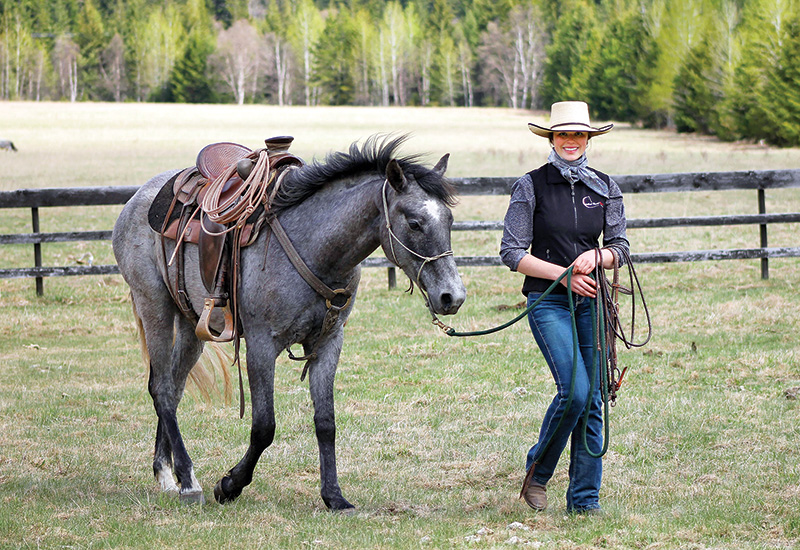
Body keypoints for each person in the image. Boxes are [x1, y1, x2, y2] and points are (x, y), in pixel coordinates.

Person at [499, 101, 629, 514]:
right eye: (562, 134)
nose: (570, 141)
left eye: (578, 134)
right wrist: (564, 275)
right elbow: (511, 252)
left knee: (593, 400)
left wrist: (599, 256)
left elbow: (621, 247)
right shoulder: (530, 186)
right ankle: (537, 473)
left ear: (588, 139)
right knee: (574, 391)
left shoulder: (606, 187)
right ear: (552, 139)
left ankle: (585, 502)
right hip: (548, 299)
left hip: (592, 301)